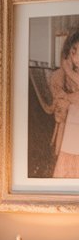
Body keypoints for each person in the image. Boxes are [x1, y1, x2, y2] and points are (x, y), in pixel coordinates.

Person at [47, 29, 79, 177]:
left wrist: (69, 72)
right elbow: (58, 100)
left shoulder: (68, 71)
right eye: (74, 52)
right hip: (69, 130)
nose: (77, 57)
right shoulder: (59, 75)